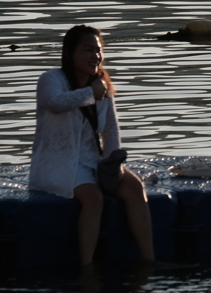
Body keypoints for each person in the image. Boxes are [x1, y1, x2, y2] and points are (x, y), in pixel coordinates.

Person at [29, 25, 154, 267]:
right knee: (93, 197)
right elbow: (55, 103)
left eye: (98, 50)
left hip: (92, 161)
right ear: (69, 53)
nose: (95, 56)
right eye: (88, 50)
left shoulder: (102, 85)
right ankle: (86, 267)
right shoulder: (51, 79)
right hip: (58, 163)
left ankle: (149, 261)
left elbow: (111, 130)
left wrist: (112, 164)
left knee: (134, 187)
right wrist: (90, 93)